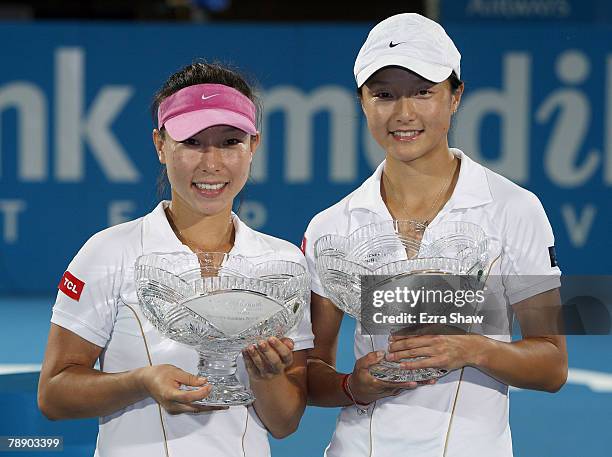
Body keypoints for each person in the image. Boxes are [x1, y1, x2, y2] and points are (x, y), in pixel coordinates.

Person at [303, 13, 567, 457]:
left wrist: (471, 349)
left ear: (455, 97)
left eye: (423, 92)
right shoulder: (330, 227)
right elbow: (310, 375)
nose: (403, 114)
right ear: (362, 102)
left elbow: (552, 365)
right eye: (384, 95)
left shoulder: (514, 210)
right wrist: (353, 385)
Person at [38, 61, 313, 457]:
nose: (211, 163)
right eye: (192, 142)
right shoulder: (108, 252)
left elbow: (284, 423)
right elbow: (53, 395)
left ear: (253, 146)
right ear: (160, 145)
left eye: (230, 141)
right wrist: (141, 382)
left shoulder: (284, 264)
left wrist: (266, 376)